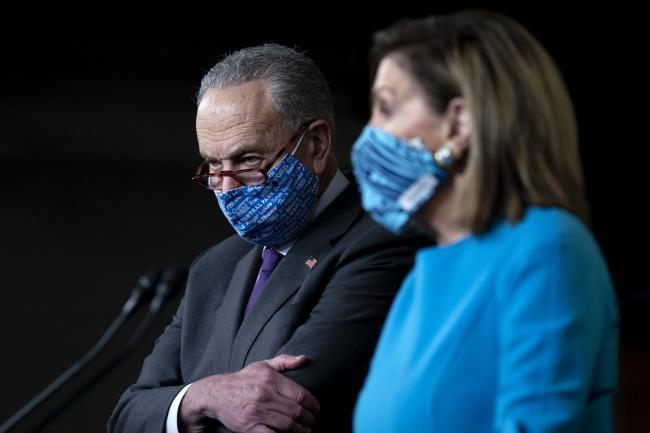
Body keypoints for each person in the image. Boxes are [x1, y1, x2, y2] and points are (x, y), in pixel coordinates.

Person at [108, 44, 426, 433]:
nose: (225, 186)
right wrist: (201, 397)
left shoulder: (382, 240)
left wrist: (192, 405)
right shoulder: (215, 266)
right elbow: (127, 416)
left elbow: (276, 413)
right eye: (212, 164)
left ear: (316, 145)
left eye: (247, 160)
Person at [351, 10, 618, 433]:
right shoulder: (420, 279)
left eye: (386, 107)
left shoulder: (548, 248)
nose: (370, 132)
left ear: (460, 122)